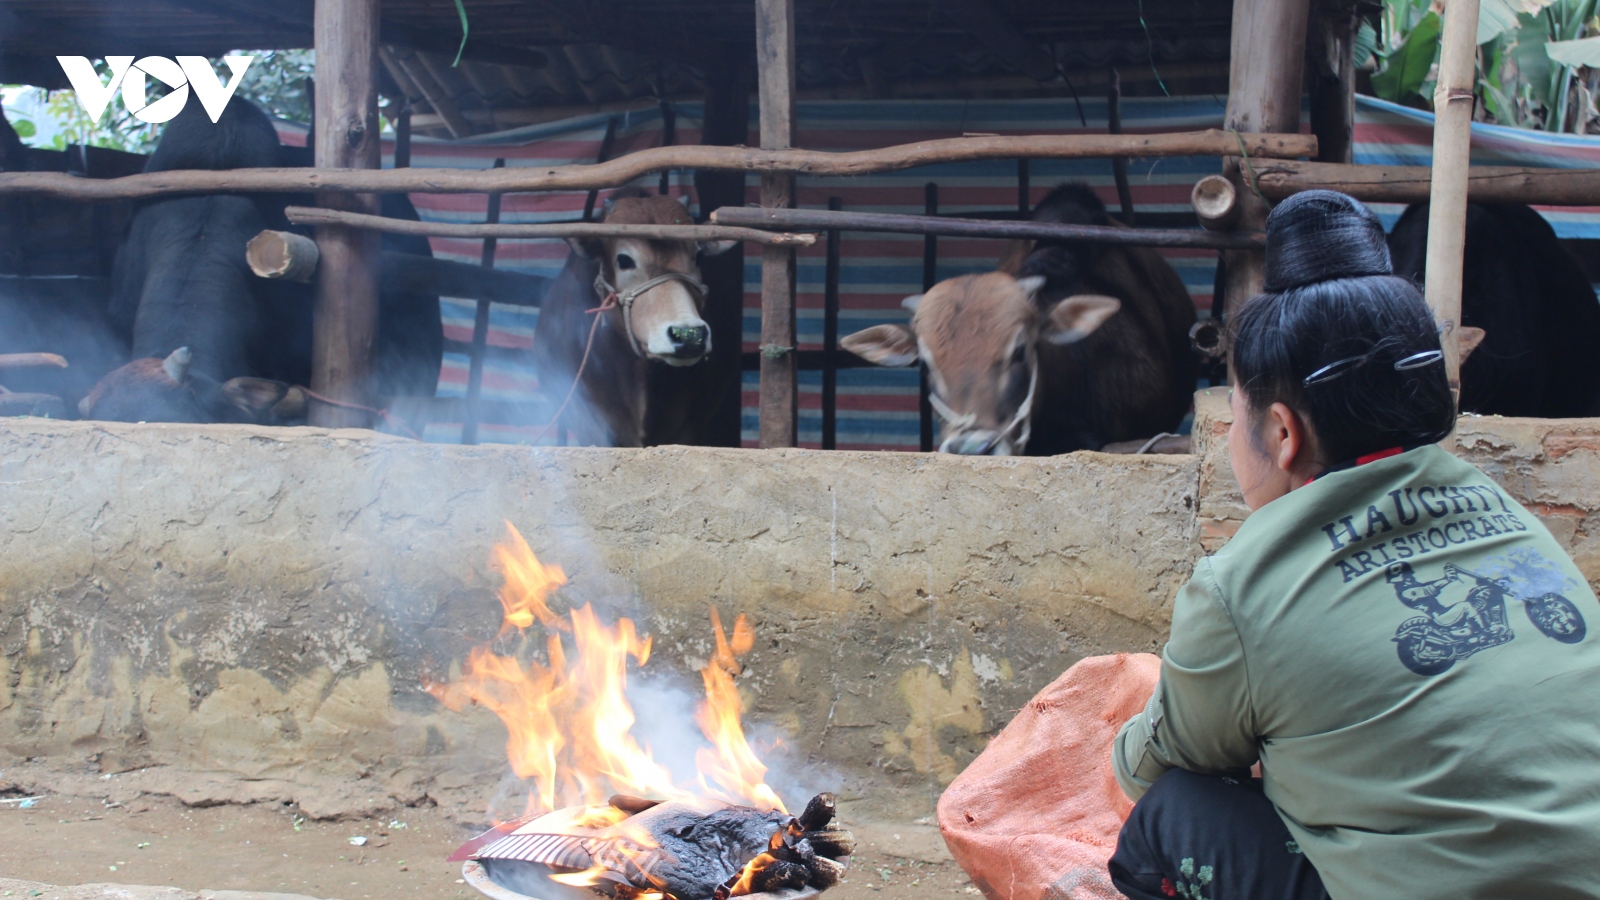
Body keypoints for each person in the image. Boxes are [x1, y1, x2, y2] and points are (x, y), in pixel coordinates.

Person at [1107, 190, 1600, 899]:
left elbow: (1145, 768)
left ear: (1281, 433)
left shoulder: (1242, 586)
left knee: (1168, 817)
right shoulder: (1511, 516)